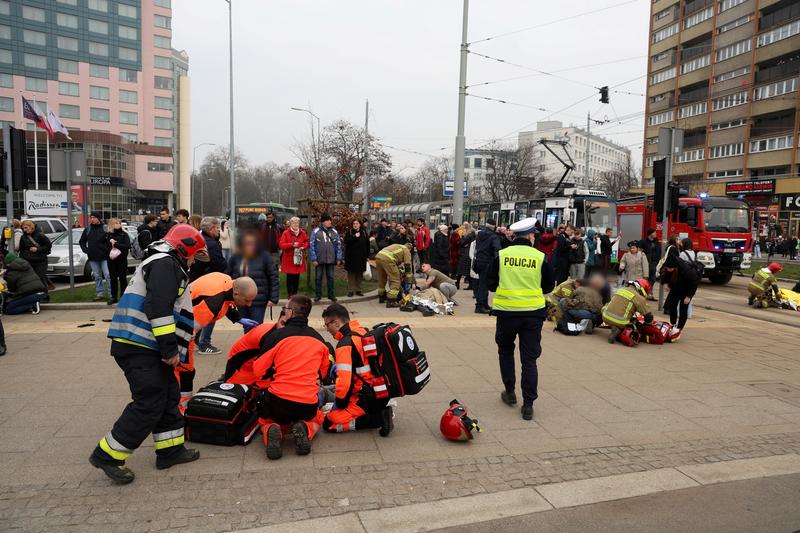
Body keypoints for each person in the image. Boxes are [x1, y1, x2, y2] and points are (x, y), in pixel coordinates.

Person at [91, 225, 206, 484]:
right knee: (150, 401)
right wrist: (169, 350)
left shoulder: (163, 262)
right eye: (193, 255)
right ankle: (107, 455)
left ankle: (170, 450)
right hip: (141, 346)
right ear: (184, 247)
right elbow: (158, 308)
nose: (192, 261)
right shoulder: (166, 264)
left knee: (168, 396)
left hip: (144, 345)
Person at [486, 217, 554, 420]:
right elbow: (549, 286)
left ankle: (509, 393)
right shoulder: (540, 257)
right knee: (529, 360)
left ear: (514, 236)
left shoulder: (501, 255)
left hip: (506, 313)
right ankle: (528, 404)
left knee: (506, 352)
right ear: (531, 235)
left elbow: (490, 283)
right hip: (533, 314)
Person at [252, 295, 332, 460]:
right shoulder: (319, 339)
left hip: (278, 401)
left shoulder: (276, 337)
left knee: (265, 420)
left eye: (284, 309)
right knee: (318, 417)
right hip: (307, 403)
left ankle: (272, 429)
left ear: (290, 313)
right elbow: (323, 374)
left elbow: (257, 369)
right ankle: (304, 427)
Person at [181, 272, 258, 408]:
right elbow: (188, 331)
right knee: (185, 371)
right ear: (236, 294)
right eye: (247, 300)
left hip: (185, 319)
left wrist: (238, 318)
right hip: (182, 331)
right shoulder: (213, 302)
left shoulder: (227, 281)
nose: (250, 305)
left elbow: (227, 302)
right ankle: (182, 406)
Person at [321, 304, 394, 436]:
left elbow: (344, 383)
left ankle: (379, 418)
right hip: (379, 391)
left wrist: (340, 405)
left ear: (336, 323)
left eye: (327, 325)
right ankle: (379, 411)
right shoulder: (363, 331)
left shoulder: (344, 344)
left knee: (330, 422)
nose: (327, 329)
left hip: (365, 397)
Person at [227, 230, 279, 332]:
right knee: (246, 325)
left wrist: (273, 298)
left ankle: (256, 346)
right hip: (240, 298)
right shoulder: (236, 256)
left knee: (256, 325)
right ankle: (248, 346)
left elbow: (273, 277)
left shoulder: (264, 256)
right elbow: (227, 275)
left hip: (258, 298)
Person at [191, 217, 228, 354]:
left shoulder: (199, 239)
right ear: (211, 229)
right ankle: (204, 343)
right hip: (209, 283)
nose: (219, 231)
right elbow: (219, 264)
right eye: (218, 228)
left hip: (197, 281)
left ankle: (197, 338)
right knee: (211, 312)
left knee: (198, 312)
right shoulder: (211, 244)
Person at [661, 246, 699, 342]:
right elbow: (665, 274)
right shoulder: (670, 265)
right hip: (675, 288)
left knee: (683, 309)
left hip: (686, 290)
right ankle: (673, 324)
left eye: (670, 268)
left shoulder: (687, 270)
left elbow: (694, 283)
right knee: (672, 305)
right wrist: (665, 283)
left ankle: (679, 329)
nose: (668, 270)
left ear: (675, 267)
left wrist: (689, 296)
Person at [602, 279, 653, 344]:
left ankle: (613, 326)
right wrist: (648, 326)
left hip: (605, 316)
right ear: (642, 290)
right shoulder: (639, 297)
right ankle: (619, 331)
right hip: (620, 321)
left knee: (611, 309)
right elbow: (648, 317)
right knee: (635, 323)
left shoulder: (621, 289)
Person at [309, 214, 343, 303]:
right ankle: (318, 295)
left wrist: (338, 258)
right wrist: (314, 259)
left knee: (331, 277)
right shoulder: (316, 231)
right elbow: (311, 245)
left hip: (331, 259)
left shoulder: (334, 232)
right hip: (319, 259)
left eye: (330, 220)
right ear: (323, 222)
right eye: (327, 220)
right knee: (318, 277)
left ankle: (331, 295)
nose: (329, 222)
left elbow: (339, 245)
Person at [79, 212, 112, 302]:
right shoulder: (88, 229)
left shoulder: (105, 228)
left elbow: (110, 241)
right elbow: (82, 241)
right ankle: (100, 294)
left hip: (105, 256)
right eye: (91, 217)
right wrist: (86, 250)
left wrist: (107, 249)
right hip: (93, 257)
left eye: (94, 217)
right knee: (97, 276)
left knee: (108, 275)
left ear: (99, 218)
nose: (92, 219)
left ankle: (111, 294)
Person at [474, 219, 502, 314]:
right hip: (487, 262)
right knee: (484, 284)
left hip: (478, 261)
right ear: (494, 226)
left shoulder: (479, 234)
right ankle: (479, 306)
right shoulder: (494, 236)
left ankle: (484, 304)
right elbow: (497, 249)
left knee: (482, 282)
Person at [18, 220, 52, 297]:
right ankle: (33, 297)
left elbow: (48, 246)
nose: (24, 230)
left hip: (40, 262)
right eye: (23, 228)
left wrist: (37, 249)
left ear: (31, 226)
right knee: (30, 281)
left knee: (40, 278)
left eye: (26, 228)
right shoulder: (23, 237)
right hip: (28, 261)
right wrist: (22, 259)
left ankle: (45, 297)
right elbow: (21, 249)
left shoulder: (40, 235)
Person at [279, 216, 309, 298]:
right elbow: (282, 245)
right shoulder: (286, 233)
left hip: (298, 258)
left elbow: (307, 241)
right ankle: (290, 295)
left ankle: (295, 294)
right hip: (289, 259)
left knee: (297, 277)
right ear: (290, 224)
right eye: (294, 223)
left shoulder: (302, 232)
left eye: (297, 223)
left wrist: (304, 247)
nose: (296, 224)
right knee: (290, 277)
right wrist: (292, 245)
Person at [375, 242, 413, 307]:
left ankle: (382, 296)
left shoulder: (397, 246)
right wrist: (408, 281)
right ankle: (391, 300)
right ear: (410, 249)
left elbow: (396, 262)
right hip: (387, 260)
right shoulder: (406, 250)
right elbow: (407, 266)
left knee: (382, 278)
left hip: (378, 257)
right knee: (396, 280)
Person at [105, 218, 131, 306]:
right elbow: (103, 245)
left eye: (119, 223)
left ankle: (123, 297)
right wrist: (109, 251)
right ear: (112, 225)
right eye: (116, 223)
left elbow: (127, 245)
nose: (119, 224)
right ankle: (114, 297)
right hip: (111, 260)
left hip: (122, 260)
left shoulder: (124, 234)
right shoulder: (108, 235)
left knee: (123, 278)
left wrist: (116, 245)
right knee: (113, 279)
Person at [344, 219, 369, 297]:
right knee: (351, 274)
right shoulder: (350, 232)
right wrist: (355, 237)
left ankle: (359, 290)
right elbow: (346, 241)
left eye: (357, 223)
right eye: (354, 223)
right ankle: (350, 290)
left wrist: (367, 256)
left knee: (359, 274)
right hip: (351, 257)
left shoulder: (364, 233)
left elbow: (367, 244)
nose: (355, 225)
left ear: (360, 224)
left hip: (361, 257)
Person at [456, 225, 476, 290]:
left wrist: (463, 236)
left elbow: (462, 242)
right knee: (468, 270)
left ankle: (457, 283)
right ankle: (471, 285)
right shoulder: (475, 235)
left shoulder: (468, 236)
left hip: (466, 253)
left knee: (461, 269)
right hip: (471, 253)